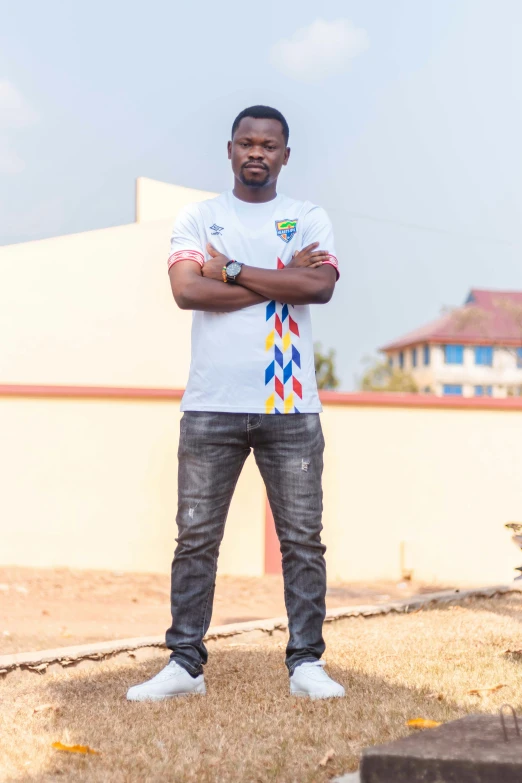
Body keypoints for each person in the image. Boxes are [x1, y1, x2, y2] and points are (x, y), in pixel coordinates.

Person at [127, 105, 344, 702]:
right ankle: (184, 667)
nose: (256, 152)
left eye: (268, 145)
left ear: (285, 155)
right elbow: (184, 290)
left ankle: (306, 664)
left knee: (303, 540)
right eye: (246, 143)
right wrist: (277, 277)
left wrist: (232, 270)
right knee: (195, 538)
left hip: (291, 405)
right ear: (229, 151)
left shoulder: (307, 217)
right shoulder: (199, 216)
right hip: (210, 404)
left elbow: (319, 287)